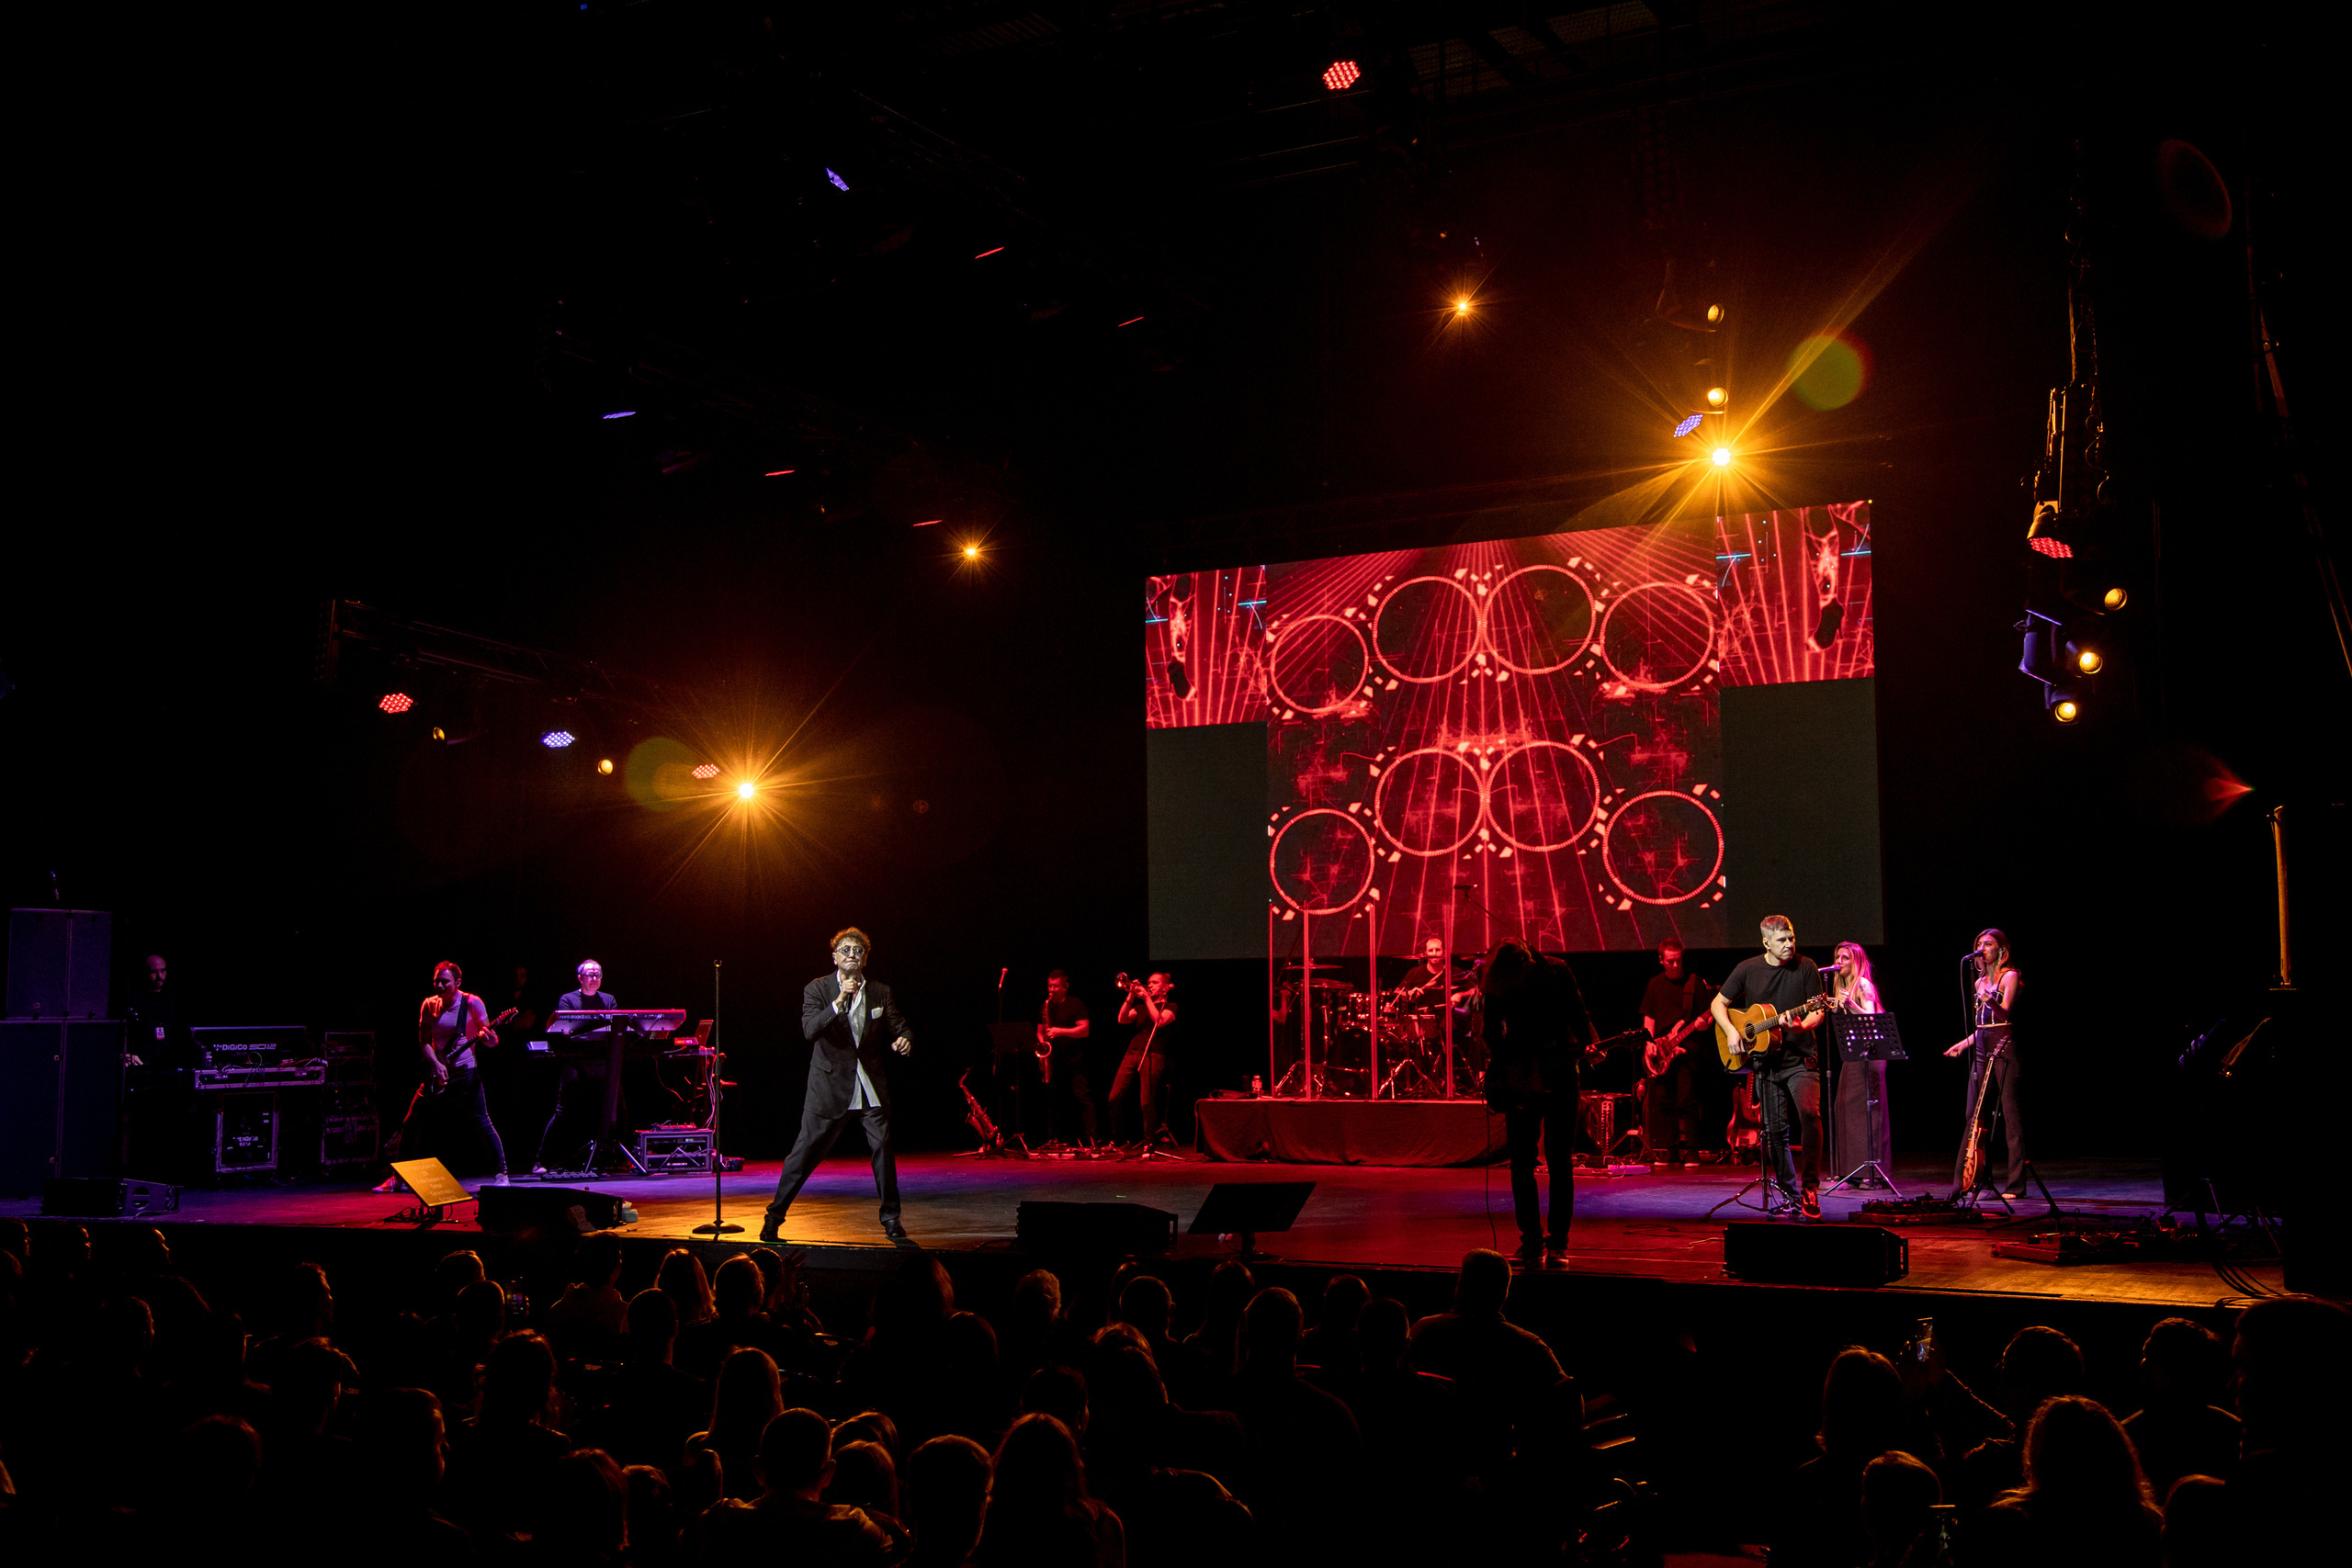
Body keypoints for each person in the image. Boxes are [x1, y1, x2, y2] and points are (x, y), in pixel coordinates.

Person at [763, 929, 915, 1246]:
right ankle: (774, 1216)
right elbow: (810, 1030)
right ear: (834, 957)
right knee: (804, 1154)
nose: (851, 955)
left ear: (865, 958)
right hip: (829, 1086)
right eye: (845, 950)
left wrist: (905, 1039)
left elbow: (899, 1025)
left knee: (883, 1148)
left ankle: (891, 1218)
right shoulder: (817, 989)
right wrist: (839, 1001)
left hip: (869, 1084)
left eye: (857, 950)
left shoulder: (880, 992)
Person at [1479, 940, 1592, 1263]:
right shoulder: (1504, 976)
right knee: (1531, 1161)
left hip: (1557, 1071)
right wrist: (1512, 1065)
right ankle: (1538, 1242)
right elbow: (1490, 1031)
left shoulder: (1555, 971)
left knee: (1555, 1160)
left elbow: (1576, 1013)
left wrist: (1589, 1044)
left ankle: (1552, 1243)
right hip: (1527, 1073)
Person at [1711, 917, 1828, 1219]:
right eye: (1782, 940)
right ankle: (1790, 1194)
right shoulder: (1748, 968)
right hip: (1765, 1063)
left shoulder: (1807, 967)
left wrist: (1801, 1025)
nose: (1789, 945)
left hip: (1801, 1059)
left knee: (1809, 1115)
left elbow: (1818, 1011)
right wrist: (1733, 1031)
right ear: (1766, 943)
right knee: (1775, 1131)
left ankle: (1810, 1187)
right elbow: (1717, 1004)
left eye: (1792, 939)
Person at [1947, 929, 2025, 1200]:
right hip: (1981, 1045)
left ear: (2001, 950)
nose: (1983, 948)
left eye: (1988, 944)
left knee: (2010, 1117)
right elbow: (1981, 1027)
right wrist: (1963, 1043)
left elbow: (2004, 1012)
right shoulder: (1979, 981)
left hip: (2004, 1044)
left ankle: (2016, 1184)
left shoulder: (2009, 976)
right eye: (1979, 944)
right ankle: (1974, 1179)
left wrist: (1991, 999)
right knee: (1973, 1114)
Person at [415, 961, 509, 1183]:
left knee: (482, 1121)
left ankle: (502, 1173)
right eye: (436, 981)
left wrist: (489, 1038)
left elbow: (492, 1040)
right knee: (412, 1122)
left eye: (444, 982)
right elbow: (424, 1040)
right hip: (438, 1075)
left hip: (466, 1074)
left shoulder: (472, 1003)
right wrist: (436, 1065)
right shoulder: (428, 1005)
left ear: (457, 983)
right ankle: (398, 1178)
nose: (439, 986)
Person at [536, 959, 620, 1174]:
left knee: (608, 1110)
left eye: (598, 975)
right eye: (591, 975)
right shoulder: (568, 999)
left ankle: (604, 1159)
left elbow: (613, 1028)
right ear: (580, 978)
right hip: (575, 1059)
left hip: (601, 1059)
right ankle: (542, 1160)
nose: (595, 978)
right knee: (564, 1111)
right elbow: (567, 1029)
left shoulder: (609, 1000)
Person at [1638, 938, 1713, 1166]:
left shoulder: (1695, 983)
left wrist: (1704, 1024)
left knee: (1686, 1099)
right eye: (1670, 961)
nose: (1675, 965)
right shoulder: (1655, 984)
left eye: (1678, 960)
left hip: (1687, 1049)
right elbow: (1648, 1017)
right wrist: (1648, 1042)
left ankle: (1692, 1150)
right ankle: (1669, 1150)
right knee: (1663, 1101)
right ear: (1661, 960)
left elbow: (1708, 1016)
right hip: (1660, 1051)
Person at [1829, 941, 1893, 1181]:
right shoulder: (1840, 987)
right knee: (1844, 1107)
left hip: (1871, 1052)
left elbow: (1871, 1017)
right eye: (1837, 957)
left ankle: (1872, 1173)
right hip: (1854, 1052)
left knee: (1870, 1110)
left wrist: (1851, 1004)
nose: (1839, 962)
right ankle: (1850, 1171)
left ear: (1856, 961)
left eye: (1845, 958)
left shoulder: (1863, 984)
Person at [1108, 972, 1176, 1146]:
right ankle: (1119, 1140)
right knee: (1114, 1097)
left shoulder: (1170, 1006)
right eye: (1149, 982)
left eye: (1155, 982)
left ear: (1165, 987)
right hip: (1132, 1053)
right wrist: (1131, 996)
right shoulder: (1139, 1008)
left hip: (1154, 1054)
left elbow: (1159, 1021)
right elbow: (1121, 1019)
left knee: (1146, 1101)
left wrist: (1146, 999)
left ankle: (1149, 1142)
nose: (1150, 985)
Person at [1035, 970, 1098, 1146]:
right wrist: (1042, 1045)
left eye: (1056, 986)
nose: (1051, 990)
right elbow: (1040, 1032)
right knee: (1053, 1101)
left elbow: (1085, 1030)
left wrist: (1059, 1031)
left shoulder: (1076, 1004)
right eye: (1050, 986)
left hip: (1074, 1060)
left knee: (1082, 1098)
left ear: (1065, 987)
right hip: (1054, 1060)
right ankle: (1054, 1139)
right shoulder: (1045, 1006)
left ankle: (1093, 1139)